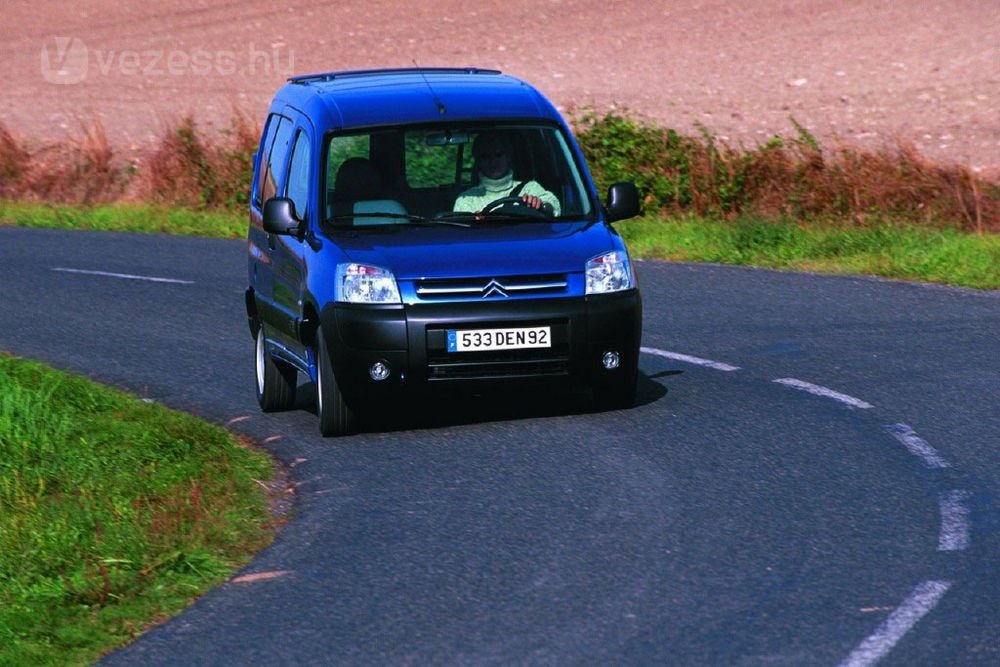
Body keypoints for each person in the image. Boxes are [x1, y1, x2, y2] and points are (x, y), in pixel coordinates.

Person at [453, 131, 561, 216]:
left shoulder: (530, 189)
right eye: (485, 156)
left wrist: (540, 205)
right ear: (478, 162)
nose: (493, 161)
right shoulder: (467, 200)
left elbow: (553, 206)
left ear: (508, 156)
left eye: (498, 154)